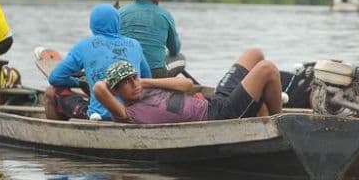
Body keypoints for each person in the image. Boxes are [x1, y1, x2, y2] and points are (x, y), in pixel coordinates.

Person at [92, 47, 284, 124]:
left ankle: (264, 114)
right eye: (126, 83)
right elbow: (99, 89)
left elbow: (186, 84)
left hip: (214, 102)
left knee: (255, 53)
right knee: (267, 69)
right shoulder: (126, 113)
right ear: (116, 90)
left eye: (134, 78)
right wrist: (114, 82)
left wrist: (144, 81)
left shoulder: (145, 86)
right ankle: (279, 124)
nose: (133, 84)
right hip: (219, 117)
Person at [45, 4, 152, 121]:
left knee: (52, 92)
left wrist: (80, 83)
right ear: (117, 22)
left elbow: (55, 78)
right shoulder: (135, 44)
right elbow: (147, 78)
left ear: (92, 25)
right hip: (132, 113)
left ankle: (59, 132)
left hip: (100, 116)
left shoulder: (84, 45)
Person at [118, 0, 182, 77]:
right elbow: (174, 49)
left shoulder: (120, 12)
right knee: (180, 58)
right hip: (155, 73)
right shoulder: (164, 14)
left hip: (125, 72)